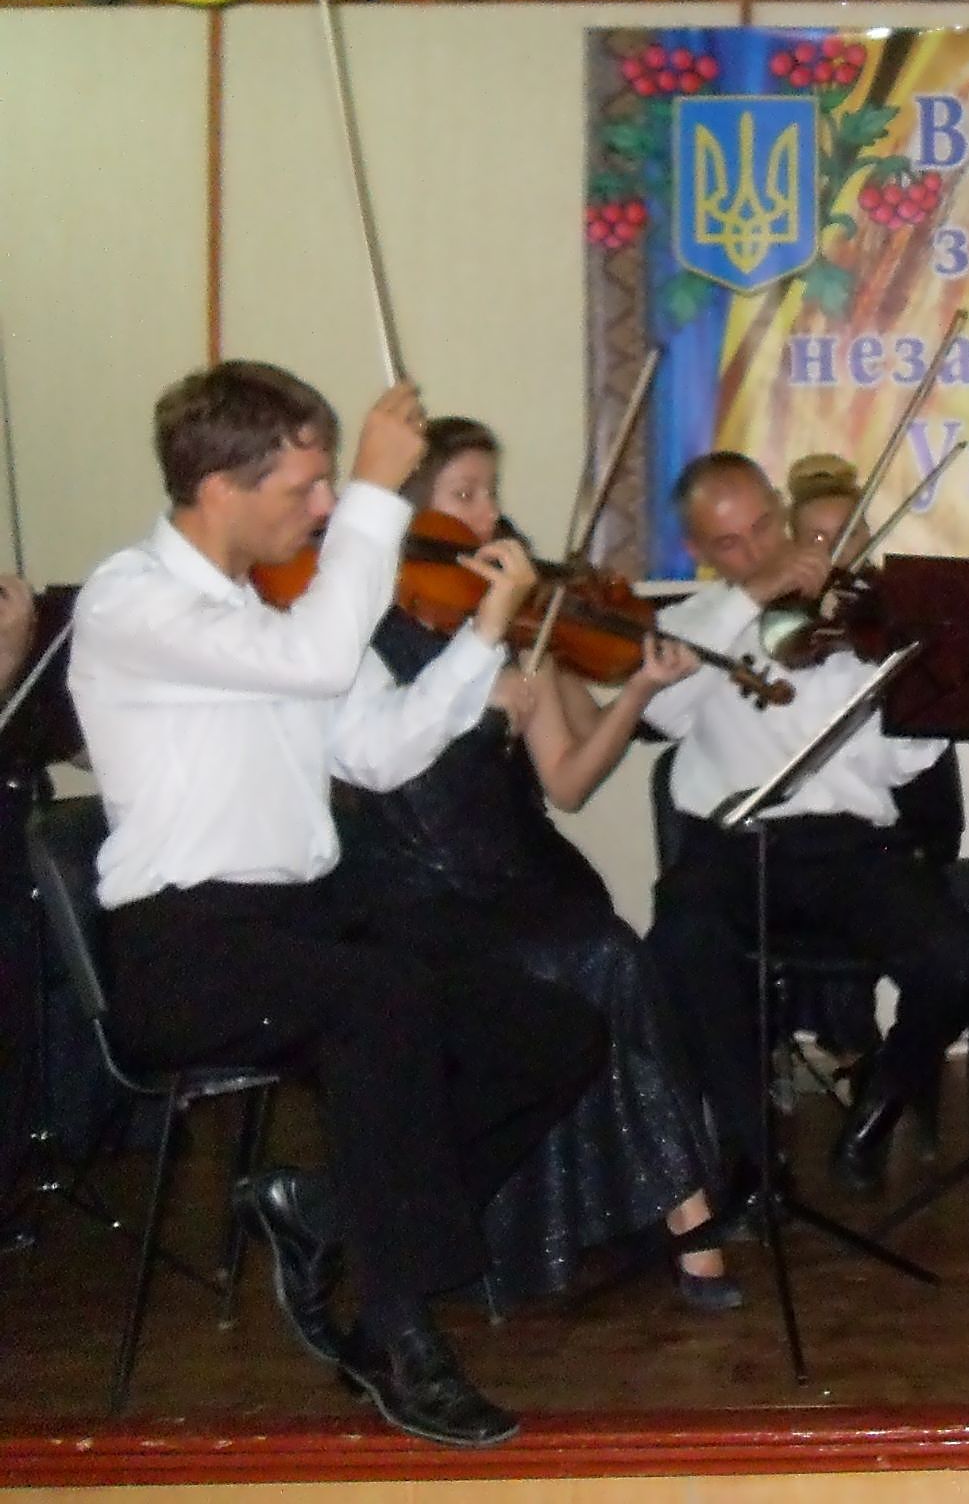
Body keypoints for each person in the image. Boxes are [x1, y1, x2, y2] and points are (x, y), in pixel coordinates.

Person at [68, 363, 604, 1448]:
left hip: (302, 927)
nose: (322, 509)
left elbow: (385, 749)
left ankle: (323, 1214)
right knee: (377, 1001)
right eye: (304, 489)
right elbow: (316, 664)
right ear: (219, 487)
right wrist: (371, 489)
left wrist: (486, 632)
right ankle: (399, 1336)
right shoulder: (132, 601)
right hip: (184, 947)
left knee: (553, 1033)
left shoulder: (279, 608)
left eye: (328, 489)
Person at [335, 418, 739, 1311]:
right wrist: (479, 703)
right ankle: (688, 1216)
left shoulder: (516, 621)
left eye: (490, 492)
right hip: (415, 893)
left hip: (525, 874)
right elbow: (376, 766)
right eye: (465, 495)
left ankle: (676, 1205)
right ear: (410, 514)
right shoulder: (357, 632)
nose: (490, 516)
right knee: (604, 958)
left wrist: (637, 690)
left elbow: (568, 781)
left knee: (610, 951)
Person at [642, 452, 969, 1195]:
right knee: (681, 941)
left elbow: (900, 765)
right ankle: (750, 1154)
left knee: (956, 959)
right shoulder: (692, 626)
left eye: (765, 527)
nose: (759, 550)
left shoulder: (864, 631)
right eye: (732, 544)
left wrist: (920, 691)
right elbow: (660, 709)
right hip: (732, 848)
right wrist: (751, 598)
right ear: (702, 552)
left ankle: (877, 1112)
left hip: (851, 851)